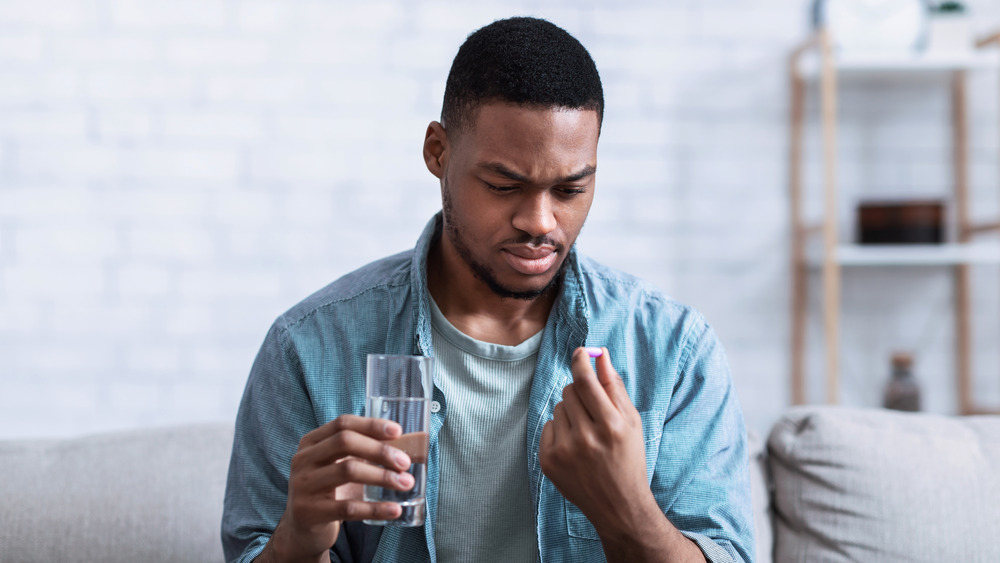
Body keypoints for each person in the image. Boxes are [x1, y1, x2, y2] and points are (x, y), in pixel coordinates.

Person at [222, 16, 754, 563]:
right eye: (504, 186)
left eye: (571, 188)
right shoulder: (308, 347)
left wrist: (627, 513)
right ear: (438, 153)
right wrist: (295, 545)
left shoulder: (673, 349)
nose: (540, 221)